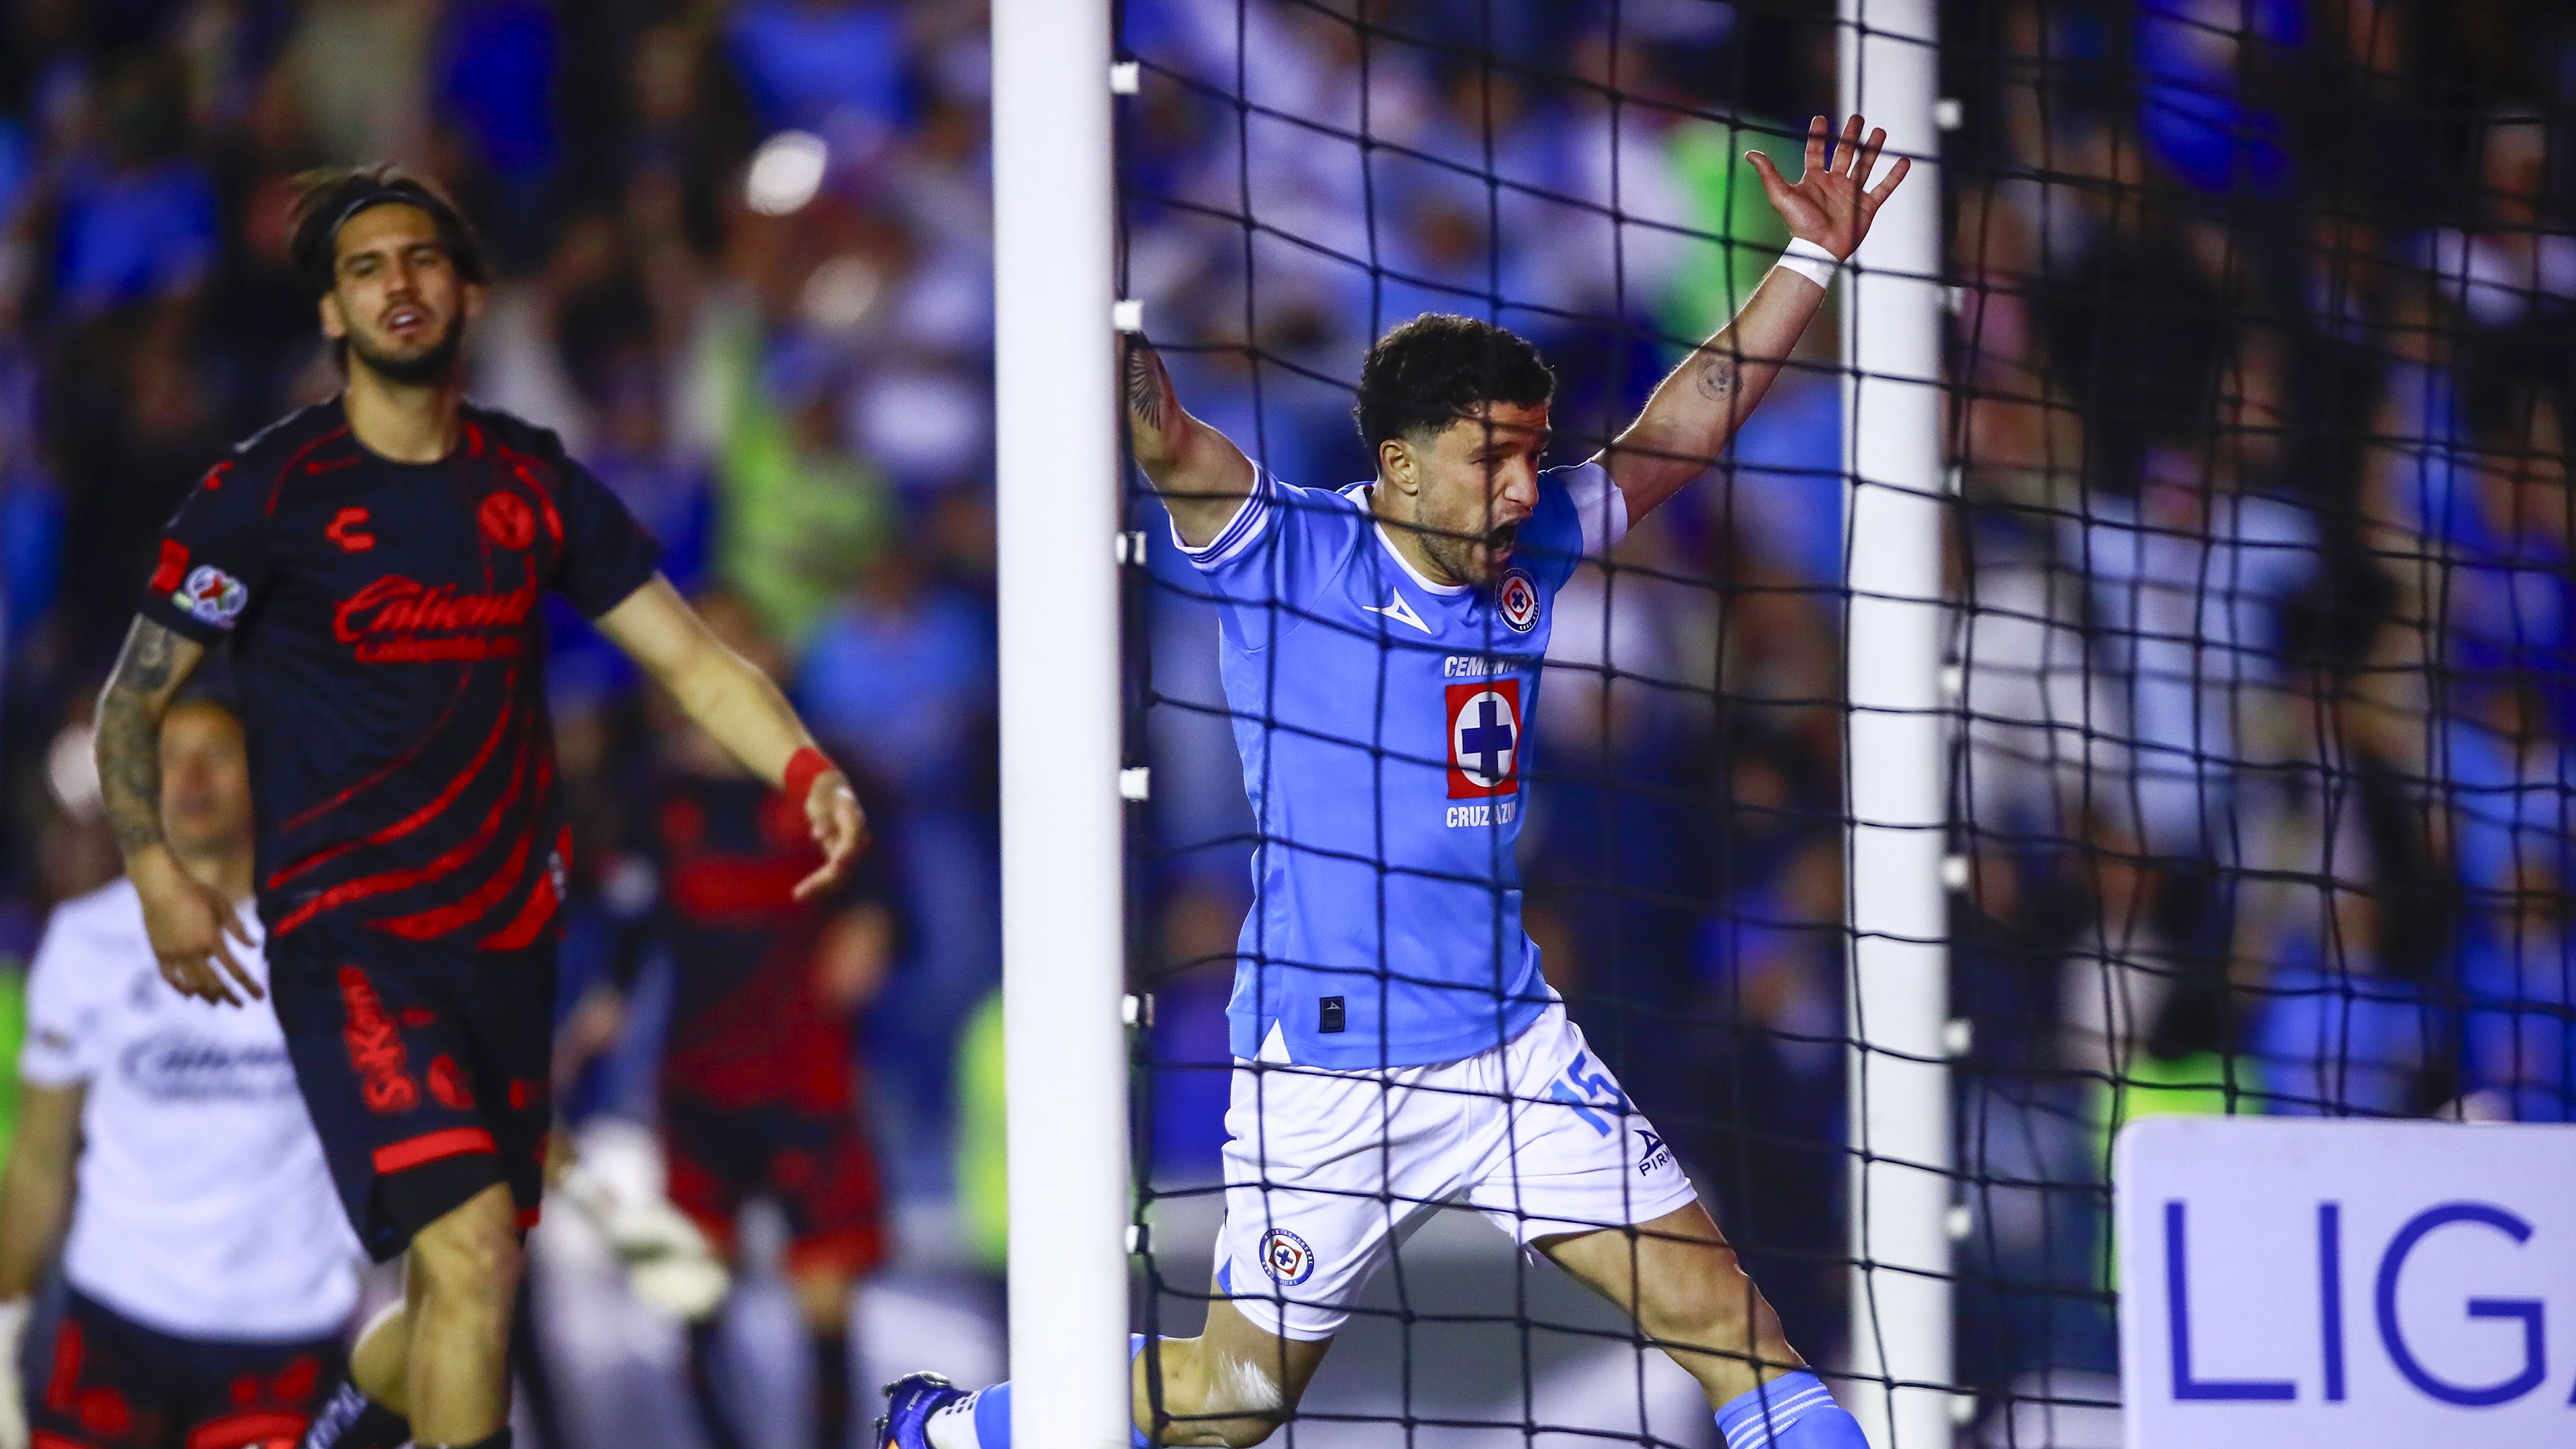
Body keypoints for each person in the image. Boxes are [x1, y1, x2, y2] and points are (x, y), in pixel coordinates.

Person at [882, 115, 1909, 1449]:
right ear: (1402, 463)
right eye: (1496, 456)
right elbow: (1167, 435)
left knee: (1745, 1342)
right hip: (1328, 1070)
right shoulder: (1284, 551)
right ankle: (949, 1431)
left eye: (1536, 450)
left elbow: (1679, 432)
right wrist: (1079, 288)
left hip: (1514, 1051)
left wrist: (1809, 265)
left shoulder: (1539, 542)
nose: (1526, 482)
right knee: (1232, 1407)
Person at [87, 165, 868, 1449]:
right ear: (334, 316)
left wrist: (804, 767)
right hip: (353, 944)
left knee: (469, 1279)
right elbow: (134, 700)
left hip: (510, 950)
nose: (399, 284)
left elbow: (688, 659)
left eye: (422, 259)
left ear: (471, 292)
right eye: (365, 268)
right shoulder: (266, 496)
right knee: (475, 1259)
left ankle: (349, 1424)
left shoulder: (530, 483)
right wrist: (162, 871)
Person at [573, 589, 898, 1449]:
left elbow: (889, 909)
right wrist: (598, 1014)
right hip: (701, 1084)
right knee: (696, 1293)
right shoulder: (658, 799)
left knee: (825, 1297)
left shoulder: (834, 782)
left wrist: (874, 931)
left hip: (807, 1079)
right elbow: (631, 931)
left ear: (772, 665)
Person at [0, 696, 361, 1449]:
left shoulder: (336, 944)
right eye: (167, 759)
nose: (190, 778)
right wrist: (5, 1320)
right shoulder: (86, 940)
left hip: (283, 1338)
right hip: (111, 1327)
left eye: (216, 755)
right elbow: (39, 1159)